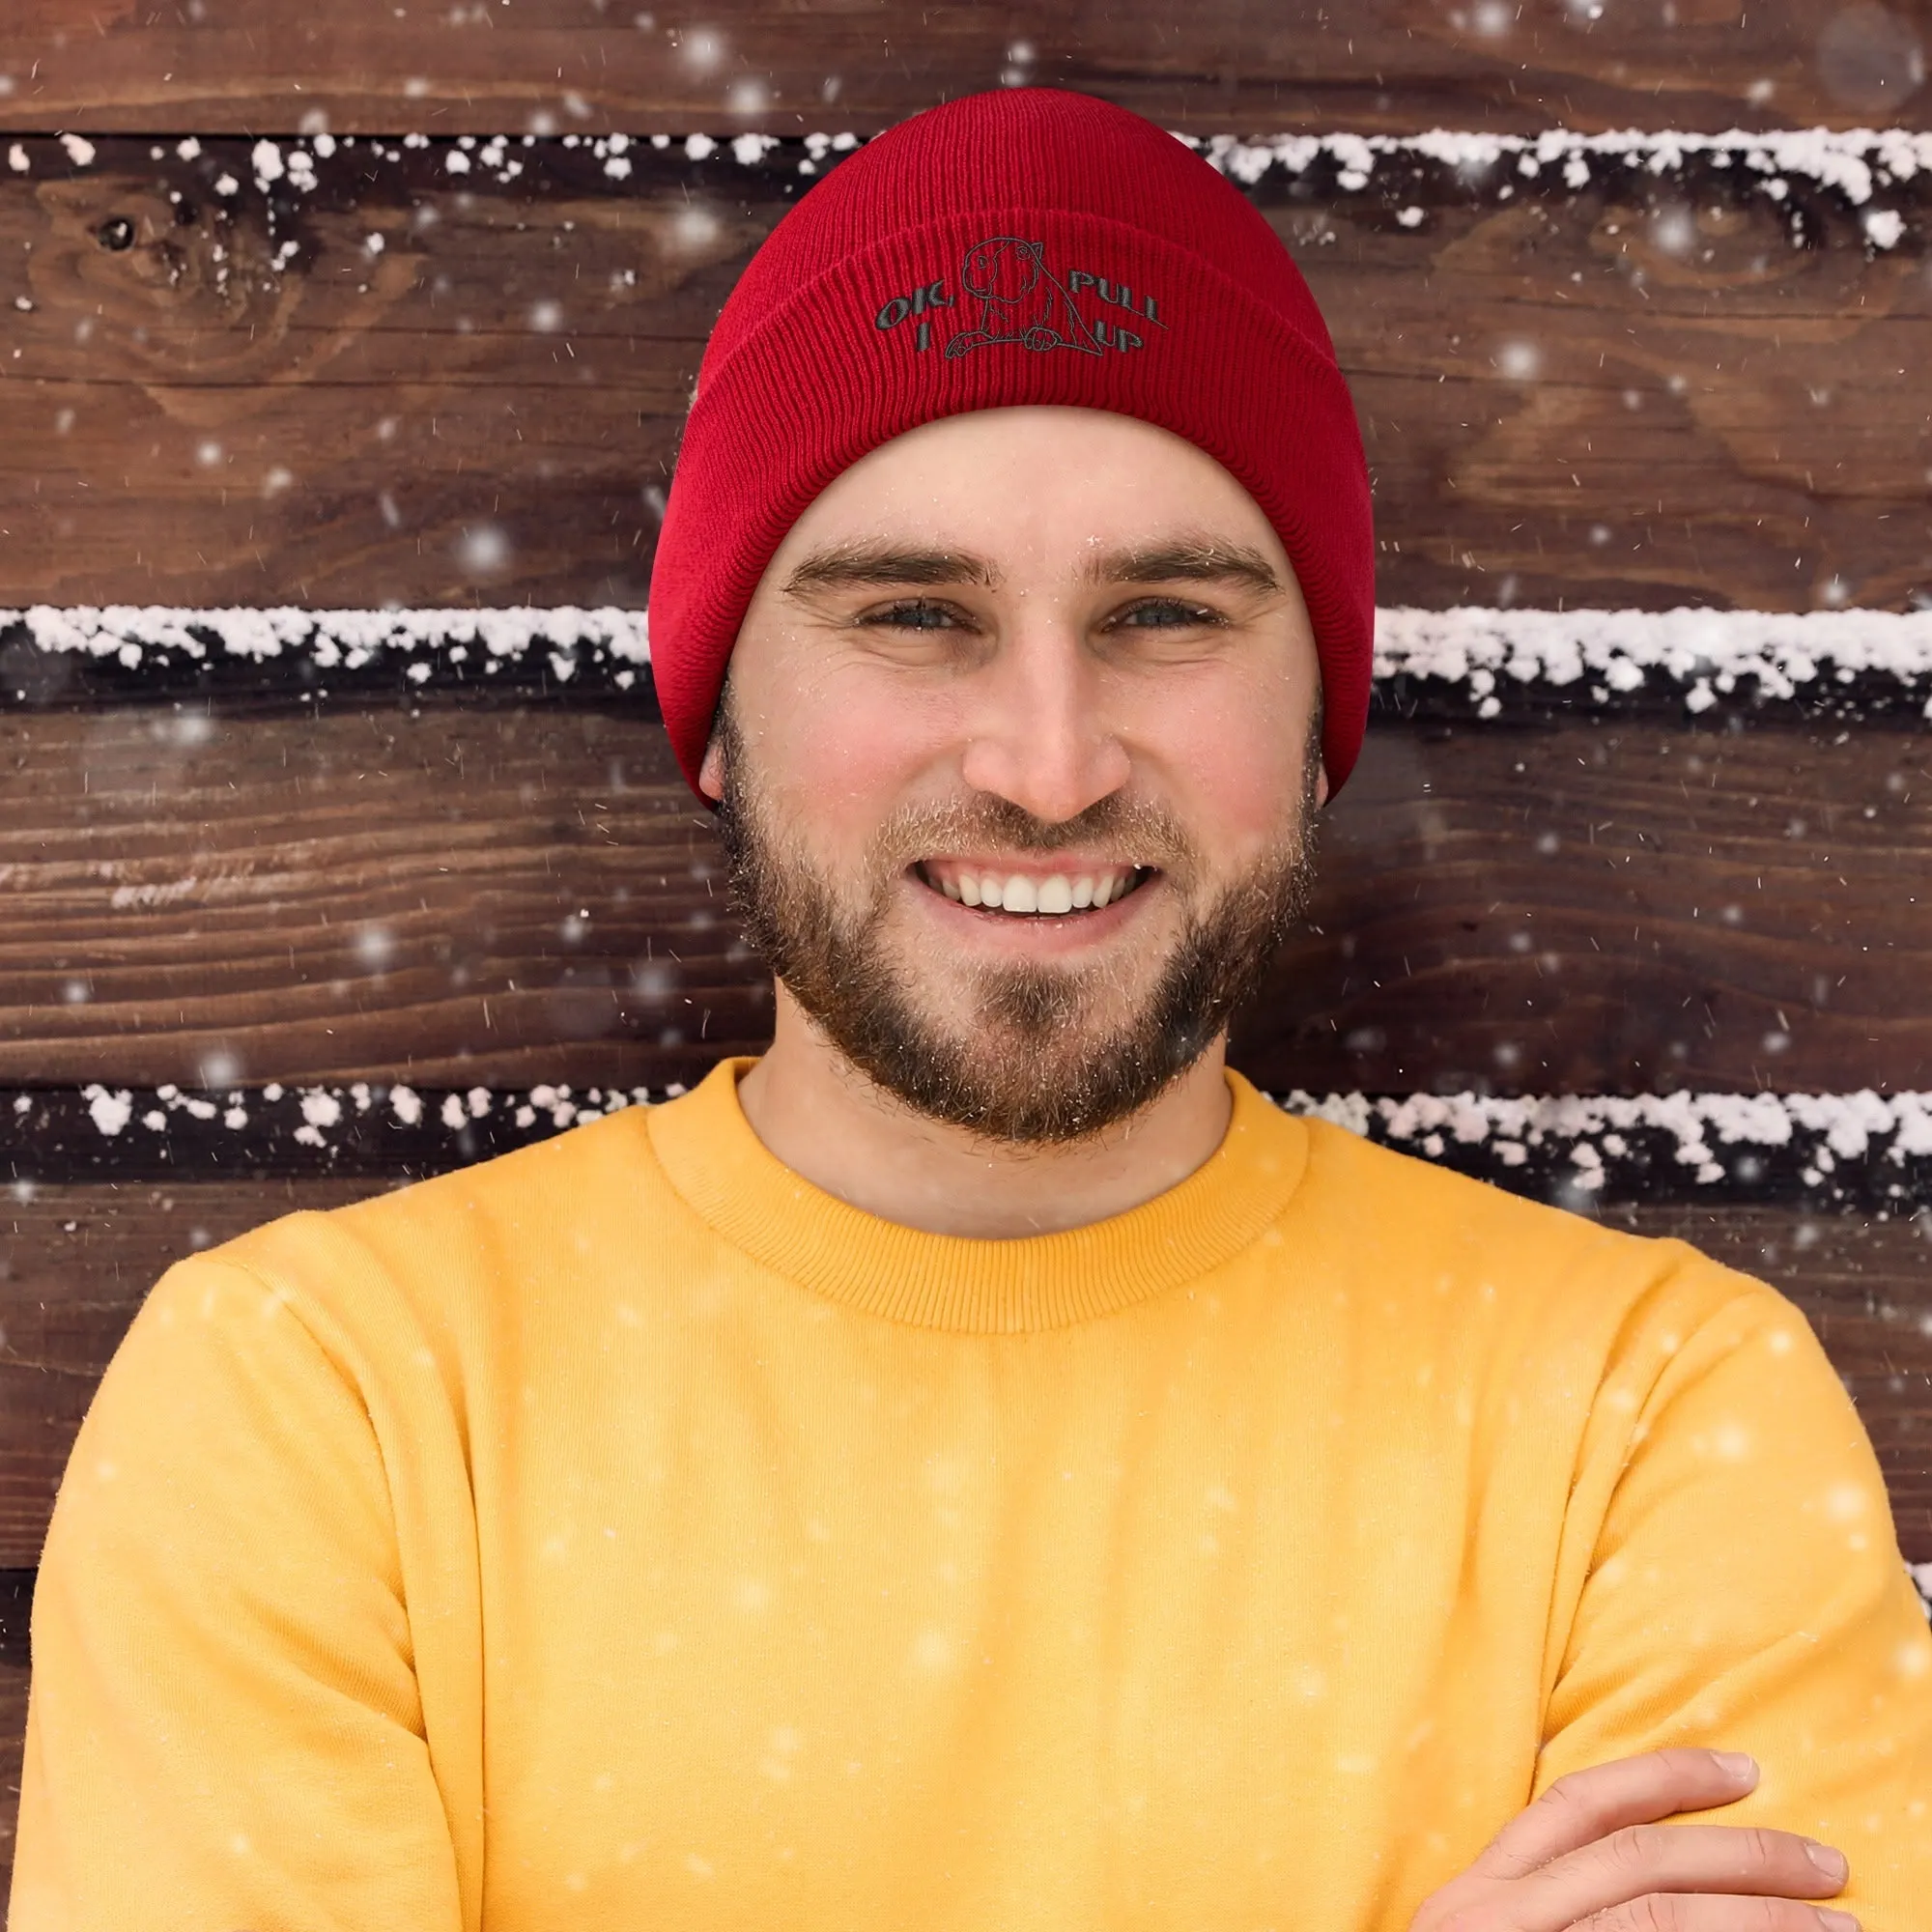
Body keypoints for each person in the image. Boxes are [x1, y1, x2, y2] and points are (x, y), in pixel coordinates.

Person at [12, 86, 1930, 1932]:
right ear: (718, 708)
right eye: (911, 615)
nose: (1044, 760)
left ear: (1316, 711)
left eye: (1165, 615)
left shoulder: (1652, 1423)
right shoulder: (319, 1406)